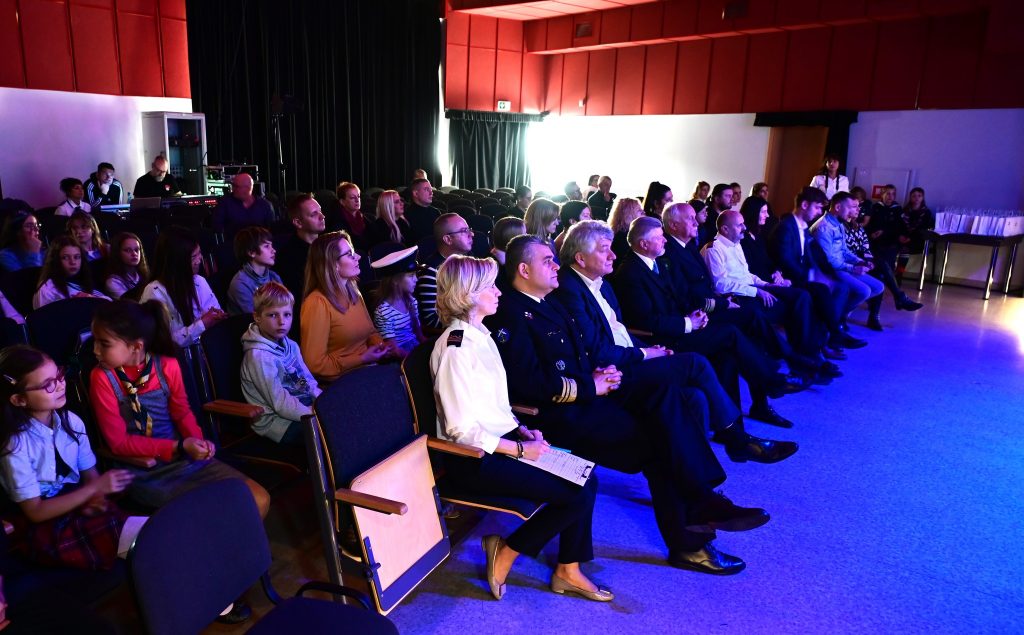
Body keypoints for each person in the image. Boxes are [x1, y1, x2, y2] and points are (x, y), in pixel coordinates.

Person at [488, 235, 770, 574]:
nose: (555, 265)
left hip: (591, 395)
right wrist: (589, 385)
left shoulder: (549, 301)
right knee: (662, 443)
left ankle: (702, 504)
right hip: (559, 414)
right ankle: (695, 525)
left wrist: (597, 374)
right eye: (547, 260)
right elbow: (527, 383)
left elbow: (580, 354)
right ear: (523, 269)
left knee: (667, 395)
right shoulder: (511, 313)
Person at [431, 254, 610, 601]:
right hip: (473, 459)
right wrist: (520, 449)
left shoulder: (480, 335)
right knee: (576, 491)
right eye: (490, 286)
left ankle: (567, 569)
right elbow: (461, 430)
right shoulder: (456, 347)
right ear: (468, 294)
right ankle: (509, 552)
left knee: (586, 476)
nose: (499, 291)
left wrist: (521, 430)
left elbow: (494, 406)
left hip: (501, 443)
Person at [552, 220, 798, 463]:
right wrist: (649, 351)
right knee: (701, 359)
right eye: (605, 249)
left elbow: (621, 330)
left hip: (641, 348)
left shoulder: (602, 283)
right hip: (615, 369)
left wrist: (654, 345)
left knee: (707, 381)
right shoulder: (575, 287)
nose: (613, 255)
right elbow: (606, 345)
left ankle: (708, 464)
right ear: (581, 258)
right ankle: (742, 433)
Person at [612, 216, 811, 428]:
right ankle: (771, 380)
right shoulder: (630, 273)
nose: (665, 241)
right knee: (731, 333)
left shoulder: (657, 262)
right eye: (660, 237)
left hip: (686, 321)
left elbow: (679, 297)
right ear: (644, 244)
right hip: (665, 339)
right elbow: (647, 321)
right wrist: (689, 322)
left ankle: (734, 424)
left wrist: (697, 314)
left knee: (733, 343)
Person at [89, 300, 270, 519]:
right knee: (222, 513)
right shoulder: (102, 377)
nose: (95, 351)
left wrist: (198, 442)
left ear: (136, 346)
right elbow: (118, 443)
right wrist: (179, 446)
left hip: (185, 458)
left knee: (258, 499)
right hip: (144, 470)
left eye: (104, 344)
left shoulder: (166, 365)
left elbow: (181, 412)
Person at [0, 345, 145, 571]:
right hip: (44, 524)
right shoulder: (15, 445)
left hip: (76, 504)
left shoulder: (71, 421)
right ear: (19, 400)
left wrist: (96, 499)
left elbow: (90, 476)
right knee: (136, 542)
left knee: (148, 532)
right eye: (48, 385)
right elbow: (35, 512)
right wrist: (93, 489)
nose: (60, 385)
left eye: (59, 375)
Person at [703, 207, 831, 369]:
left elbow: (746, 274)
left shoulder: (736, 243)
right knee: (794, 304)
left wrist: (765, 284)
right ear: (725, 229)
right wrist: (757, 291)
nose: (744, 228)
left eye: (743, 224)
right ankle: (804, 355)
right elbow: (721, 285)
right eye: (739, 225)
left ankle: (809, 350)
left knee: (802, 295)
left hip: (753, 286)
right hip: (739, 295)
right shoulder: (714, 249)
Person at [767, 187, 863, 356]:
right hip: (784, 277)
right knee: (821, 290)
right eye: (817, 207)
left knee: (830, 288)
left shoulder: (802, 226)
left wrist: (820, 274)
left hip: (797, 275)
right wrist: (811, 276)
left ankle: (830, 336)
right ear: (805, 205)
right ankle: (831, 336)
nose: (819, 212)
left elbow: (808, 257)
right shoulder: (786, 227)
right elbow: (785, 260)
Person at [300, 231, 395, 382]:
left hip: (368, 370)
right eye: (350, 254)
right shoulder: (317, 303)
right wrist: (362, 358)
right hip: (342, 382)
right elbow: (314, 365)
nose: (358, 257)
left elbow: (370, 332)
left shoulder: (353, 289)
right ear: (333, 264)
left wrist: (381, 346)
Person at [240, 282, 321, 445]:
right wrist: (313, 415)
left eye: (287, 314)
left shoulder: (291, 345)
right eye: (272, 315)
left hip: (301, 408)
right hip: (278, 423)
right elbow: (279, 402)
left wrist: (321, 401)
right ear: (257, 317)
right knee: (328, 433)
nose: (282, 321)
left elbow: (304, 379)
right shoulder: (259, 357)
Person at [140, 226, 227, 346]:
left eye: (199, 253)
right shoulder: (154, 291)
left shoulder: (199, 281)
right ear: (176, 261)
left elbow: (214, 316)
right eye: (193, 257)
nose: (199, 260)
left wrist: (217, 317)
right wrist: (201, 325)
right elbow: (161, 343)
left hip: (209, 347)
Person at [810, 192, 885, 331]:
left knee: (878, 287)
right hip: (830, 270)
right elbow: (827, 261)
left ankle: (840, 314)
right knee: (864, 291)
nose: (855, 211)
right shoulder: (823, 227)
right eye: (852, 207)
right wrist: (853, 268)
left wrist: (860, 261)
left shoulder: (839, 224)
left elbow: (844, 250)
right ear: (838, 207)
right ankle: (836, 317)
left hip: (842, 267)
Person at [843, 201, 923, 331]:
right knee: (881, 264)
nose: (859, 210)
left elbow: (866, 248)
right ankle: (898, 298)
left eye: (858, 207)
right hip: (850, 264)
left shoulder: (859, 228)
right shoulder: (841, 227)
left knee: (880, 273)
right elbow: (845, 252)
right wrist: (863, 261)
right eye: (854, 207)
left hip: (861, 262)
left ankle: (875, 316)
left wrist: (868, 260)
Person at [415, 214, 475, 330]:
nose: (471, 234)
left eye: (469, 229)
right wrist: (468, 321)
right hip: (453, 333)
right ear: (448, 239)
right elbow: (431, 319)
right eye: (464, 231)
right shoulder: (431, 272)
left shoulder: (469, 260)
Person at [370, 244, 424, 356]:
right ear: (395, 280)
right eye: (411, 276)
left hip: (416, 347)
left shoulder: (411, 301)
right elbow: (394, 350)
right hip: (401, 355)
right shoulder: (384, 311)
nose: (416, 279)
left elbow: (419, 335)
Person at [32, 236, 109, 309]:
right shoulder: (48, 288)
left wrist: (91, 299)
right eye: (65, 257)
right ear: (55, 260)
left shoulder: (87, 278)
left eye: (77, 257)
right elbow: (45, 316)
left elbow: (109, 302)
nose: (73, 262)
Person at [274, 193, 326, 300]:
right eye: (314, 214)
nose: (322, 216)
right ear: (298, 223)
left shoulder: (328, 246)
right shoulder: (287, 257)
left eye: (320, 211)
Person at [226, 226, 282, 315]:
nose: (273, 250)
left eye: (271, 246)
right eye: (267, 246)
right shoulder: (240, 284)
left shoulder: (274, 277)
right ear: (251, 252)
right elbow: (256, 317)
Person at [211, 173, 274, 238]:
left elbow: (270, 231)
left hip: (258, 242)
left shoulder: (265, 205)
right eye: (233, 185)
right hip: (232, 243)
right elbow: (217, 229)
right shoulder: (224, 203)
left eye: (236, 186)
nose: (233, 189)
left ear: (248, 188)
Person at [104, 232, 149, 300]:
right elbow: (131, 302)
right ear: (117, 253)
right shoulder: (113, 282)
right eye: (128, 250)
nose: (134, 254)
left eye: (137, 250)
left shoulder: (144, 274)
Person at [332, 182, 370, 248]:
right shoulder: (337, 222)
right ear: (342, 202)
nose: (357, 200)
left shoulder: (365, 218)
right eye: (352, 197)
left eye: (358, 196)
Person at [405, 178, 441, 244]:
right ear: (415, 193)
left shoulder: (435, 212)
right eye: (426, 189)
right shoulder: (406, 215)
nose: (431, 193)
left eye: (431, 190)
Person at [608, 197, 643, 263]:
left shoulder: (623, 233)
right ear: (628, 214)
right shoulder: (622, 237)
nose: (643, 212)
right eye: (639, 210)